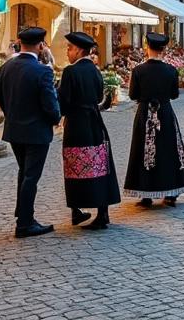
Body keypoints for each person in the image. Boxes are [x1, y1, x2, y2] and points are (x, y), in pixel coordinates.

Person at [0, 26, 61, 238]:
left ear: (19, 42)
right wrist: (55, 119)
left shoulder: (5, 68)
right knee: (31, 176)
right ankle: (25, 223)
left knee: (24, 173)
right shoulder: (43, 71)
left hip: (14, 130)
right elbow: (50, 105)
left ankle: (23, 214)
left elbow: (1, 99)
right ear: (41, 45)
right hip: (36, 132)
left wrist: (12, 116)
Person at [58, 32, 120, 230]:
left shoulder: (70, 72)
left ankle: (76, 209)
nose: (67, 52)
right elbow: (100, 95)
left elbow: (63, 102)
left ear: (78, 50)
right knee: (99, 163)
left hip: (76, 124)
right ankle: (103, 211)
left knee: (75, 165)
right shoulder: (95, 70)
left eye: (69, 49)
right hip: (95, 121)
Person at [124, 32, 184, 207]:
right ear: (163, 49)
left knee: (144, 150)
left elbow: (132, 95)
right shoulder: (171, 70)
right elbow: (174, 95)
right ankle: (171, 193)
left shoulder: (138, 70)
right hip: (165, 113)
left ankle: (146, 194)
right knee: (168, 150)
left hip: (145, 114)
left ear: (147, 47)